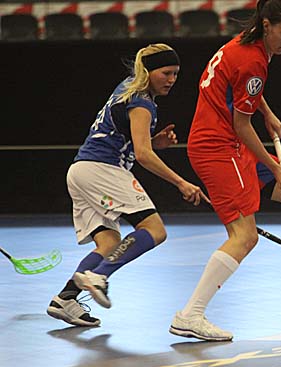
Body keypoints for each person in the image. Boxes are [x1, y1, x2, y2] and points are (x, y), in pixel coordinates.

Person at [171, 0, 281, 341]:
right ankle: (190, 315)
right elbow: (241, 124)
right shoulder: (253, 60)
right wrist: (274, 167)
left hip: (233, 144)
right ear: (267, 25)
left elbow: (240, 89)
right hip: (218, 149)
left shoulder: (247, 43)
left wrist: (265, 112)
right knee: (244, 237)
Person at [47, 44, 206, 327]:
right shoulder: (142, 103)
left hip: (80, 171)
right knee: (155, 230)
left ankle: (66, 299)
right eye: (166, 73)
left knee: (109, 244)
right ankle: (100, 275)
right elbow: (143, 155)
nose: (171, 79)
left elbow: (128, 140)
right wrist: (181, 182)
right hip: (103, 169)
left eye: (175, 74)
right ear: (148, 71)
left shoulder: (127, 89)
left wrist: (156, 142)